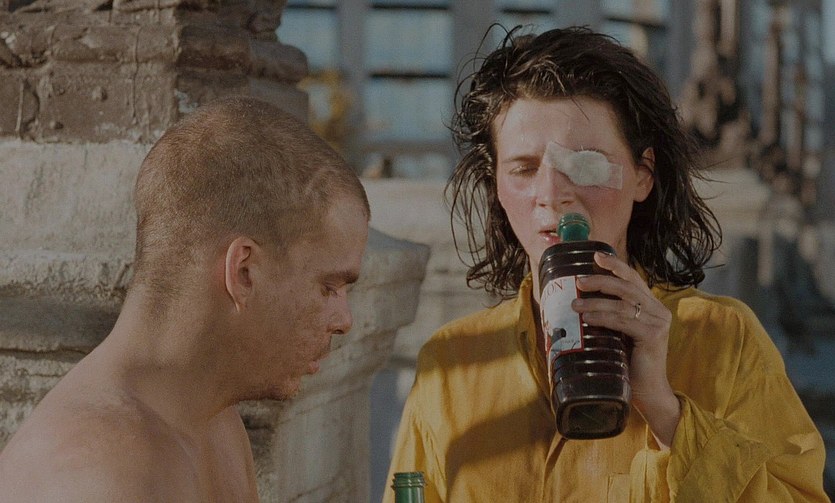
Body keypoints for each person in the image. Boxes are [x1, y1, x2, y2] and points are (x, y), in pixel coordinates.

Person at [384, 26, 829, 501]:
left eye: (584, 165)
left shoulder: (722, 340)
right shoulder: (450, 362)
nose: (552, 195)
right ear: (496, 185)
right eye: (524, 169)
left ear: (643, 175)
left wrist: (667, 414)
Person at [0, 96, 370, 501]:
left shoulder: (215, 424)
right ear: (243, 272)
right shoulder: (102, 473)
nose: (344, 321)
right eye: (329, 288)